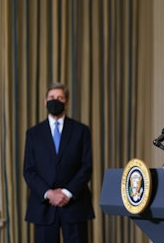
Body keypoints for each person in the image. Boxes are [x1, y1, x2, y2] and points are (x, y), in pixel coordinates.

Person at [23, 82, 95, 243]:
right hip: (43, 208)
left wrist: (67, 193)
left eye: (60, 97)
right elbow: (29, 170)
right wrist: (49, 193)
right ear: (45, 101)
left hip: (75, 206)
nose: (55, 101)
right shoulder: (33, 134)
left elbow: (86, 167)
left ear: (67, 102)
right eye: (51, 97)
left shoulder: (81, 131)